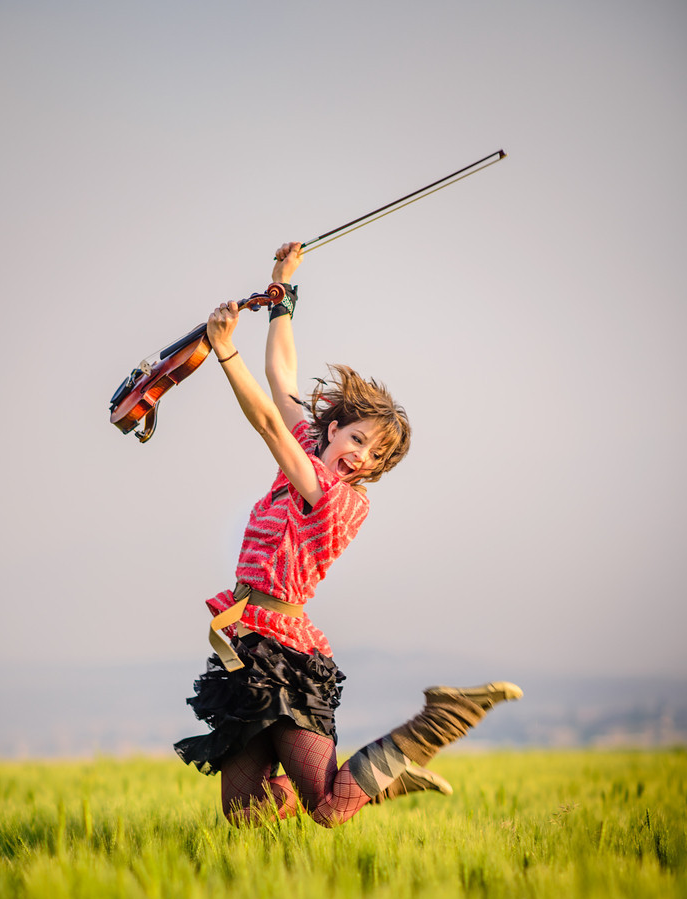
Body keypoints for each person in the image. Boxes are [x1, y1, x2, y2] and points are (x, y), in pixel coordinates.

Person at [174, 242, 522, 826]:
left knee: (327, 809)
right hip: (244, 644)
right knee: (242, 817)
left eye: (375, 456)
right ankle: (371, 780)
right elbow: (281, 376)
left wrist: (225, 349)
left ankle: (439, 719)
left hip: (288, 654)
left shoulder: (338, 499)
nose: (361, 457)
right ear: (332, 429)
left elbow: (267, 424)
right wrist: (282, 288)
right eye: (357, 440)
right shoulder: (310, 448)